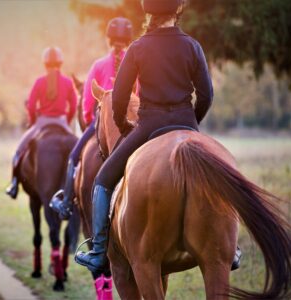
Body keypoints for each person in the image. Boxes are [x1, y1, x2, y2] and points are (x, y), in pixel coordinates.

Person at [75, 0, 242, 273]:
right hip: (186, 123)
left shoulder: (138, 48)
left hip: (147, 127)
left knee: (103, 180)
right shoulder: (192, 46)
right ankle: (230, 247)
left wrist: (123, 125)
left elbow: (118, 97)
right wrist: (190, 123)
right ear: (178, 10)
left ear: (148, 12)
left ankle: (98, 251)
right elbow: (207, 95)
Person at [49, 17, 133, 219]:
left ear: (108, 40)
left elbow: (87, 102)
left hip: (101, 122)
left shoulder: (97, 65)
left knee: (72, 157)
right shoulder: (135, 64)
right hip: (132, 124)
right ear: (128, 40)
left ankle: (67, 201)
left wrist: (90, 121)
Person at [6, 47, 77, 199]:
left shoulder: (39, 82)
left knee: (18, 152)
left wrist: (33, 122)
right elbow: (74, 104)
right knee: (79, 151)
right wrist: (67, 121)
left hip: (41, 122)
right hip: (62, 122)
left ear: (45, 64)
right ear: (61, 63)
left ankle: (13, 184)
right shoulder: (67, 82)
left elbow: (31, 106)